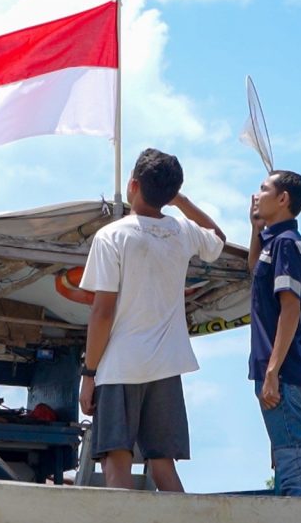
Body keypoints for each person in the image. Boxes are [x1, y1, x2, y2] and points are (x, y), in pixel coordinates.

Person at [78, 148, 226, 491]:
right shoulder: (181, 231)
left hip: (119, 366)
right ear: (171, 193)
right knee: (163, 465)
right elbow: (217, 238)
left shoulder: (112, 236)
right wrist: (183, 202)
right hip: (166, 364)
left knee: (117, 463)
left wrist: (89, 374)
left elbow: (102, 312)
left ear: (132, 185)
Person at [248, 169, 301, 497]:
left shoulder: (288, 244)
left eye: (263, 189)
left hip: (285, 372)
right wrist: (255, 230)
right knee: (291, 459)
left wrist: (273, 371)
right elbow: (255, 272)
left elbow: (290, 309)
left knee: (294, 472)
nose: (255, 195)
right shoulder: (274, 242)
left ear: (283, 199)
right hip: (279, 371)